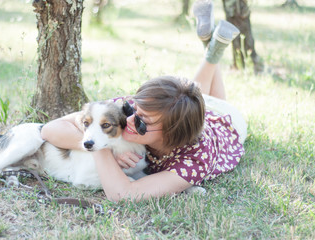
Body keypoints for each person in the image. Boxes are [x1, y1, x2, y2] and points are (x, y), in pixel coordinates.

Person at [41, 0, 247, 202]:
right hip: (186, 110)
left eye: (142, 123)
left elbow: (124, 194)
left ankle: (213, 50)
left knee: (214, 103)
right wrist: (108, 145)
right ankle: (212, 47)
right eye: (133, 111)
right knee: (193, 96)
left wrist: (101, 149)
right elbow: (50, 129)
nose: (128, 122)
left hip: (225, 122)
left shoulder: (195, 159)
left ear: (169, 134)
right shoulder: (124, 110)